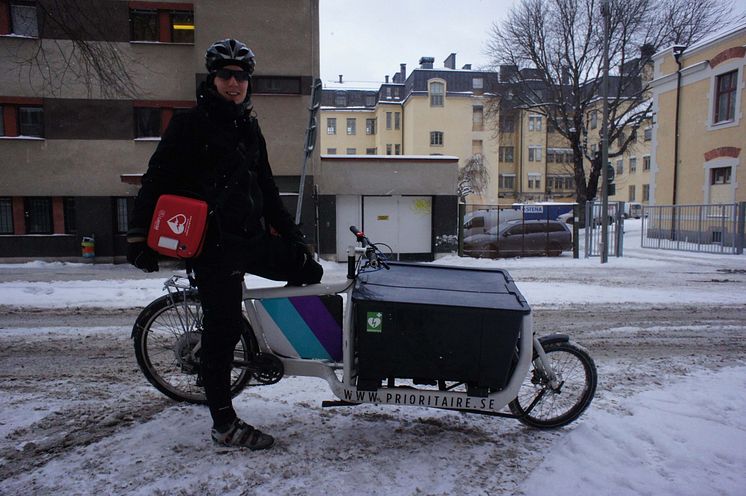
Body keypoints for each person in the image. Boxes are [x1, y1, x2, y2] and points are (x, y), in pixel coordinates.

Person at [126, 38, 323, 450]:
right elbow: (156, 179)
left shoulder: (249, 127)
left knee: (309, 271)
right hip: (213, 247)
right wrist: (138, 234)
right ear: (213, 79)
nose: (234, 83)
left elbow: (267, 188)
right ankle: (224, 425)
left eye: (241, 76)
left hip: (249, 239)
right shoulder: (189, 125)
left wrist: (292, 236)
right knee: (224, 330)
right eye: (226, 75)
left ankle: (280, 344)